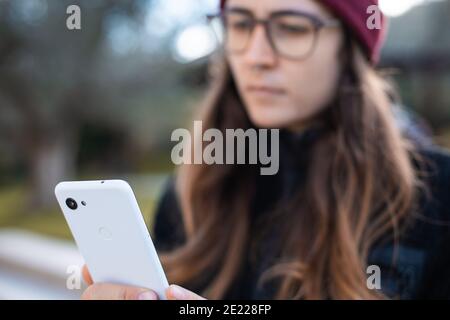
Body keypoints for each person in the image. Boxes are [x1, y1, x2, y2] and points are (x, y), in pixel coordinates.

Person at [81, 0, 450, 300]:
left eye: (291, 28)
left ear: (348, 45)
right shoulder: (188, 196)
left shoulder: (435, 198)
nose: (257, 57)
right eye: (241, 24)